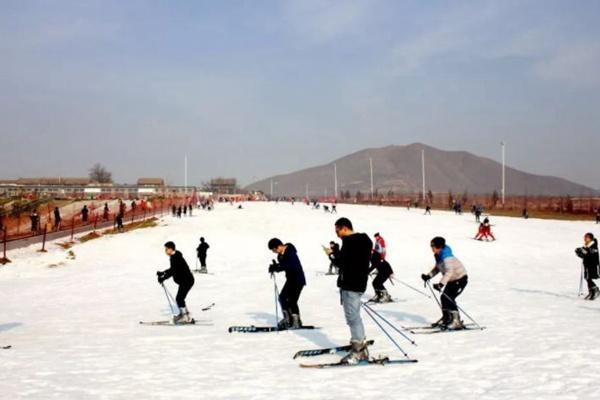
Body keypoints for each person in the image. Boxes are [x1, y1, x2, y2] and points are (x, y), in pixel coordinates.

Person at [334, 217, 373, 364]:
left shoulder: (350, 243)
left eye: (337, 230)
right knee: (354, 316)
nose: (337, 234)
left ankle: (359, 351)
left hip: (351, 284)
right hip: (358, 283)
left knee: (352, 317)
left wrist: (333, 254)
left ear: (344, 228)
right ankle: (360, 346)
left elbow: (343, 263)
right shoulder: (363, 241)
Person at [421, 237, 468, 330]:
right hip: (452, 280)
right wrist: (428, 276)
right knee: (444, 297)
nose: (431, 248)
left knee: (449, 298)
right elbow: (438, 268)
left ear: (439, 246)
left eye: (433, 246)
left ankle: (456, 321)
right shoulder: (438, 255)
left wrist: (441, 284)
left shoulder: (447, 257)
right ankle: (447, 318)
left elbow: (449, 272)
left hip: (460, 279)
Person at [268, 238, 307, 329]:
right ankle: (288, 318)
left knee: (292, 300)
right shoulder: (280, 255)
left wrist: (278, 267)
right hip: (290, 280)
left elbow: (290, 265)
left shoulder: (291, 252)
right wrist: (275, 267)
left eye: (274, 250)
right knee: (282, 298)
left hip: (298, 280)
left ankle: (296, 321)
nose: (274, 252)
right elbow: (284, 266)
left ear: (279, 246)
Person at [157, 241, 195, 323]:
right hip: (185, 280)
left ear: (171, 249)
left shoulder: (175, 257)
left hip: (187, 280)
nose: (165, 251)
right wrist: (163, 272)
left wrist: (163, 278)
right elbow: (173, 269)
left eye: (166, 249)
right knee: (180, 298)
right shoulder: (175, 256)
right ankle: (185, 315)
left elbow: (173, 270)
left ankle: (185, 317)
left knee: (179, 298)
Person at [575, 233, 600, 300]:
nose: (585, 238)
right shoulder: (586, 245)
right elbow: (584, 254)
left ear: (590, 238)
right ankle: (591, 291)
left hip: (593, 265)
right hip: (587, 264)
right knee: (587, 277)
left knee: (589, 277)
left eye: (587, 237)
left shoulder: (593, 245)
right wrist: (579, 252)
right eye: (584, 237)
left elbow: (590, 253)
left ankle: (595, 290)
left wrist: (584, 252)